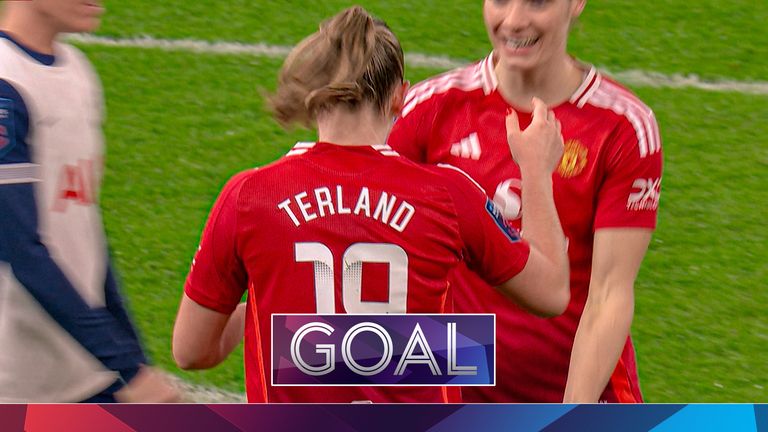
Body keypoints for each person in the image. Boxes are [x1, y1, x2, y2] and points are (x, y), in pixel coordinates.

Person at [172, 5, 570, 403]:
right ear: (400, 97)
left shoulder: (249, 196)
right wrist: (535, 172)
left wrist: (268, 317)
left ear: (315, 91)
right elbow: (550, 293)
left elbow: (190, 351)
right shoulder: (448, 194)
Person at [388, 0, 662, 403]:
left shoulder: (623, 127)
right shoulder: (429, 109)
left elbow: (608, 296)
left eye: (537, 2)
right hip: (461, 393)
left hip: (580, 394)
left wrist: (572, 416)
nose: (514, 21)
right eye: (500, 0)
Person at [0, 0, 178, 402]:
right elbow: (20, 249)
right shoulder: (6, 84)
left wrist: (133, 358)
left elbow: (86, 231)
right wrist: (127, 366)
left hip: (89, 366)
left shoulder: (78, 71)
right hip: (20, 383)